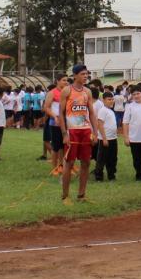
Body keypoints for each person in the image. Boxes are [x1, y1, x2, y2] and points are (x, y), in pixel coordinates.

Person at [58, 65, 98, 205]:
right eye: (82, 74)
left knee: (86, 162)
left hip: (85, 130)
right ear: (75, 76)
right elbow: (61, 114)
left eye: (87, 74)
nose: (86, 76)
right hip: (72, 131)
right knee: (69, 163)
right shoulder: (67, 91)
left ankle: (81, 195)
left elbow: (92, 113)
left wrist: (95, 132)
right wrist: (64, 133)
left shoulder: (87, 91)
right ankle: (65, 196)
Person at [123, 87, 141, 181]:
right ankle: (140, 176)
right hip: (134, 138)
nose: (136, 96)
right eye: (134, 94)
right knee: (137, 159)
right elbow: (125, 122)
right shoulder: (129, 106)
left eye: (138, 93)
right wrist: (126, 137)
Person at [94, 92, 118, 181]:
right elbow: (100, 124)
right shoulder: (102, 110)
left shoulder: (110, 110)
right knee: (102, 158)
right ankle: (99, 176)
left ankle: (111, 175)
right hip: (105, 139)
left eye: (112, 99)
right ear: (103, 100)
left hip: (113, 138)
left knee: (112, 158)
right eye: (109, 99)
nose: (111, 101)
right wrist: (104, 138)